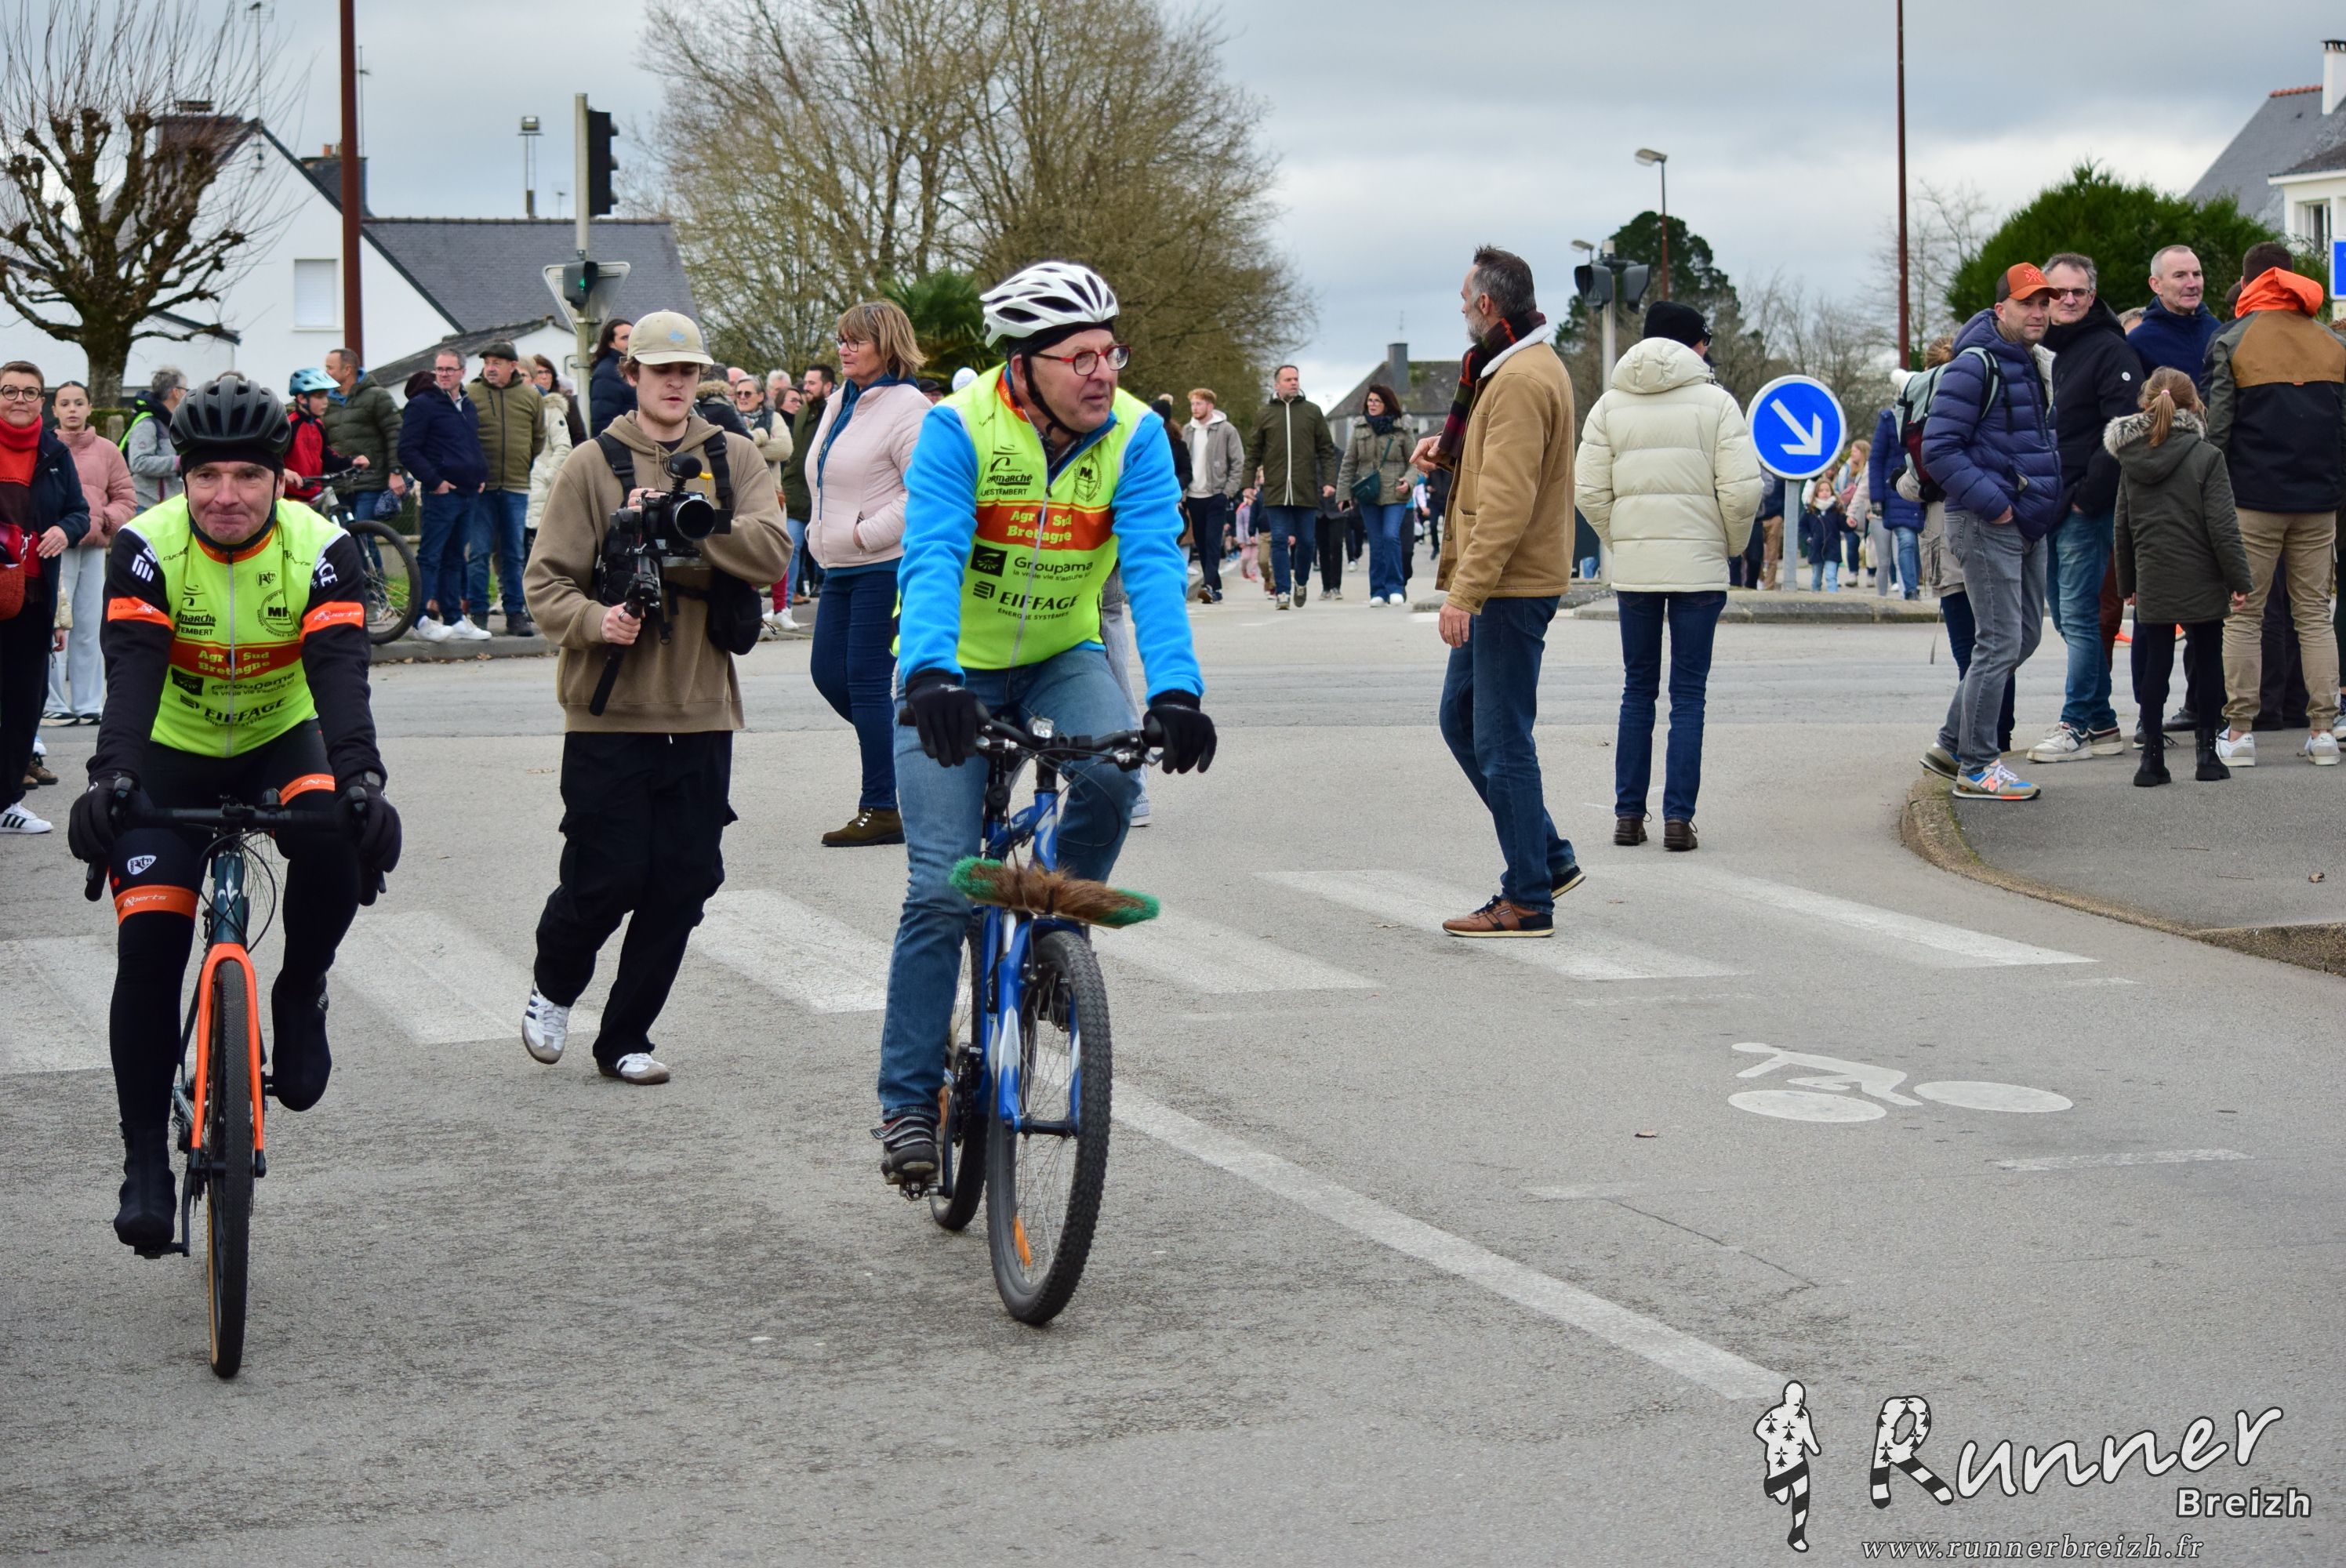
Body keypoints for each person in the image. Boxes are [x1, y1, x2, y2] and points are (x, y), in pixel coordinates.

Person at [873, 260, 1212, 1185]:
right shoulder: (959, 427)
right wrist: (930, 673)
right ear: (1023, 364)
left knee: (1112, 773)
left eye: (1111, 352)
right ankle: (908, 1100)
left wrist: (1176, 693)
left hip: (1063, 652)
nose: (1103, 372)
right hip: (950, 666)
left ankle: (1059, 936)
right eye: (1080, 357)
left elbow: (1153, 563)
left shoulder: (1136, 435)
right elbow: (932, 553)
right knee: (941, 887)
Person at [65, 372, 400, 1246]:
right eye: (206, 475)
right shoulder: (148, 545)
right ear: (181, 475)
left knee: (336, 834)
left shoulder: (321, 547)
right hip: (169, 749)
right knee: (149, 944)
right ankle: (145, 1154)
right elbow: (133, 671)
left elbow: (340, 678)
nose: (225, 495)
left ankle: (301, 985)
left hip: (282, 736)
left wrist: (363, 780)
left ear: (279, 477)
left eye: (247, 475)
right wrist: (111, 778)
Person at [518, 310, 791, 1086]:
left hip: (702, 705)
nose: (676, 383)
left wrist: (695, 525)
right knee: (605, 875)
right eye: (661, 370)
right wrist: (595, 620)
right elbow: (546, 582)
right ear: (631, 373)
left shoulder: (733, 453)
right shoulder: (591, 463)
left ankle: (625, 1037)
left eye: (688, 371)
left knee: (685, 878)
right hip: (608, 707)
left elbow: (774, 548)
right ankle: (554, 985)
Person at [1407, 245, 1580, 936]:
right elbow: (1497, 466)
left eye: (1464, 299)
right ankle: (1548, 856)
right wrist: (1445, 452)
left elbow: (1507, 503)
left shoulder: (1518, 379)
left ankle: (1528, 897)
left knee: (1502, 739)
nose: (1461, 310)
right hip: (1508, 580)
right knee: (1462, 720)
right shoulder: (1509, 367)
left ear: (1486, 303)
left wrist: (1465, 594)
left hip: (1510, 584)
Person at [1576, 300, 1760, 852]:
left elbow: (1588, 491)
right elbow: (1742, 492)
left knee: (1637, 690)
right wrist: (1728, 546)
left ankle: (1628, 816)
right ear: (1693, 345)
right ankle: (1678, 818)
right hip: (1699, 568)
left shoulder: (1609, 405)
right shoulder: (1718, 404)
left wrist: (1624, 541)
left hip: (1636, 570)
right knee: (1688, 696)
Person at [1923, 262, 2063, 801]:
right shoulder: (1974, 364)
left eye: (2044, 302)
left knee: (2022, 637)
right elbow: (1939, 450)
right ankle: (1978, 765)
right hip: (1988, 522)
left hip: (2028, 522)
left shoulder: (2029, 362)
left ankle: (1950, 743)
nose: (2039, 312)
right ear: (2001, 308)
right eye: (2028, 303)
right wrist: (1998, 505)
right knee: (1999, 641)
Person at [2205, 246, 2346, 767]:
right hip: (2320, 500)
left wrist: (2209, 499)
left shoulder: (2231, 340)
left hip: (2252, 500)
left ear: (2249, 285)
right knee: (2314, 615)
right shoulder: (2332, 341)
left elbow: (2218, 431)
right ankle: (2324, 731)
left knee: (2243, 615)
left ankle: (2240, 732)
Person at [806, 299, 928, 847]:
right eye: (841, 338)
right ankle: (918, 759)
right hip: (838, 565)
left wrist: (864, 533)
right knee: (829, 676)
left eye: (856, 340)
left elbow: (923, 491)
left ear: (888, 345)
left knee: (866, 681)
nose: (844, 348)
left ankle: (881, 806)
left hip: (883, 564)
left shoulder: (909, 407)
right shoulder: (841, 400)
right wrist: (823, 534)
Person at [2027, 252, 2144, 765]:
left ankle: (2074, 723)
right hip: (2046, 505)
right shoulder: (2037, 350)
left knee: (2078, 617)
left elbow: (2125, 431)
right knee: (2064, 616)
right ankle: (2101, 722)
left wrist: (2084, 500)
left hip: (2083, 507)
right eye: (2060, 292)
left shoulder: (2111, 351)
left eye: (2079, 292)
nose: (2069, 300)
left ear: (2092, 297)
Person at [2111, 368, 2252, 786]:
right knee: (2207, 661)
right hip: (2201, 572)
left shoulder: (2130, 458)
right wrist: (2238, 579)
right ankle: (2207, 756)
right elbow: (2222, 526)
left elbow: (2122, 526)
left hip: (2153, 572)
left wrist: (2127, 584)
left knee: (2156, 663)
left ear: (2145, 405)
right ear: (2195, 406)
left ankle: (2151, 760)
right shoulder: (2207, 457)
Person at [0, 360, 91, 834]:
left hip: (33, 596)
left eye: (29, 392)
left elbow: (80, 512)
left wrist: (64, 530)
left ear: (42, 401)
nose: (19, 399)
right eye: (9, 390)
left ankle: (6, 801)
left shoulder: (55, 453)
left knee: (26, 701)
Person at [43, 382, 135, 727]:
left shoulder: (108, 450)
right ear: (54, 409)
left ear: (90, 407)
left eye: (78, 403)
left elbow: (125, 497)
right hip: (55, 547)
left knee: (90, 624)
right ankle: (52, 701)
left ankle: (88, 702)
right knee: (56, 623)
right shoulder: (45, 447)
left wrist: (104, 521)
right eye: (65, 403)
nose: (72, 409)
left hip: (94, 547)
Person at [398, 349, 491, 641]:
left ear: (463, 371)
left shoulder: (467, 405)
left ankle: (454, 617)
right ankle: (420, 619)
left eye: (450, 369)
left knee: (455, 556)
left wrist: (480, 475)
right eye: (440, 369)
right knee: (430, 556)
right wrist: (434, 481)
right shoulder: (422, 405)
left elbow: (470, 444)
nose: (444, 374)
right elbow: (407, 450)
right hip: (442, 493)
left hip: (468, 492)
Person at [466, 343, 545, 637]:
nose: (490, 367)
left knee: (513, 554)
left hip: (515, 485)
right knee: (478, 553)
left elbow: (538, 438)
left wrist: (521, 463)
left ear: (513, 366)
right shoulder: (470, 393)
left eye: (497, 362)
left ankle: (515, 613)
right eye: (487, 362)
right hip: (480, 487)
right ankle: (478, 614)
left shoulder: (530, 396)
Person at [1244, 363, 1336, 608]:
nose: (1294, 383)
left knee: (1306, 541)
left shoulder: (1312, 412)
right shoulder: (1265, 414)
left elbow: (1326, 450)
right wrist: (1247, 484)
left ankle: (1301, 582)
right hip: (1275, 489)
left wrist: (1329, 481)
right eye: (1288, 380)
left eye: (1296, 379)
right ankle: (1283, 592)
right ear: (1277, 384)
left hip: (1305, 488)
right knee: (1278, 540)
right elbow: (1253, 452)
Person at [1336, 383, 1418, 606]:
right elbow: (1349, 463)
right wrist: (1343, 495)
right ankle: (1378, 591)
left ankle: (1395, 587)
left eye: (1377, 401)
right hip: (1368, 493)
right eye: (1370, 401)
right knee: (1376, 541)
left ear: (1387, 404)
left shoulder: (1402, 428)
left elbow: (1414, 461)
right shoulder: (1360, 428)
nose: (1372, 405)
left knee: (1390, 536)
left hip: (1395, 492)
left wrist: (1408, 481)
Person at [321, 347, 406, 525]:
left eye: (330, 368)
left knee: (365, 534)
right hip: (340, 483)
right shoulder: (324, 401)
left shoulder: (377, 396)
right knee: (344, 537)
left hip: (371, 480)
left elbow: (395, 433)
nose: (326, 372)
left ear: (347, 369)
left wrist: (396, 472)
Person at [1182, 387, 1244, 603]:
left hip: (1216, 494)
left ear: (1210, 406)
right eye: (1192, 404)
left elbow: (1238, 462)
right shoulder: (1187, 430)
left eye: (1199, 404)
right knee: (1200, 542)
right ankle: (1215, 588)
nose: (1194, 408)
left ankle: (1208, 585)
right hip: (1193, 496)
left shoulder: (1226, 430)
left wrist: (1228, 492)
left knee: (1212, 541)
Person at [2130, 246, 2220, 389]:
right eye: (2180, 276)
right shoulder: (2138, 343)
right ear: (2156, 285)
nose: (2192, 284)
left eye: (2197, 274)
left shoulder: (2217, 331)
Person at [281, 368, 368, 507]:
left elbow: (328, 459)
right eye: (320, 396)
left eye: (326, 396)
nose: (326, 401)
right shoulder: (289, 425)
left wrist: (352, 461)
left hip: (315, 495)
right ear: (302, 399)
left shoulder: (318, 425)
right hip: (292, 501)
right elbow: (272, 460)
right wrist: (283, 471)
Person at [1867, 402, 1923, 600]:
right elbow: (1876, 460)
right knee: (1904, 543)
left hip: (1920, 489)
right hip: (1895, 491)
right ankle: (1908, 590)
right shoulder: (1888, 419)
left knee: (1914, 544)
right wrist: (1877, 498)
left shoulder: (1927, 412)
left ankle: (1912, 587)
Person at [524, 366, 577, 546]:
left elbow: (564, 446)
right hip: (515, 487)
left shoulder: (550, 410)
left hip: (541, 485)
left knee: (541, 540)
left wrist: (548, 474)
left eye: (524, 375)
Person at [122, 366, 187, 511]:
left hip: (171, 506)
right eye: (185, 389)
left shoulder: (174, 422)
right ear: (176, 392)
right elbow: (139, 463)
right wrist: (179, 462)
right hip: (147, 507)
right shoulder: (147, 423)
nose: (186, 394)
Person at [530, 354, 590, 449]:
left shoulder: (566, 401)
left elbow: (579, 438)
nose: (544, 377)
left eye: (548, 372)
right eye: (539, 373)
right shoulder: (526, 402)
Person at [588, 317, 634, 435]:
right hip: (622, 440)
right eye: (625, 338)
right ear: (611, 343)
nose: (631, 342)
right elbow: (602, 420)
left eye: (633, 337)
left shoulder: (630, 367)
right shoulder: (607, 373)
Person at [1802, 475, 1843, 591]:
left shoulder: (1836, 509)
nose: (1824, 493)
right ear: (1816, 493)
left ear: (1831, 492)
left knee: (1831, 576)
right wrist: (1808, 539)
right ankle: (1815, 598)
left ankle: (1834, 598)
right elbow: (1802, 527)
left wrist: (1851, 523)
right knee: (1816, 578)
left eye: (1827, 490)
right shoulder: (1810, 510)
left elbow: (1844, 525)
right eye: (1821, 490)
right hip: (1816, 548)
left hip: (1832, 547)